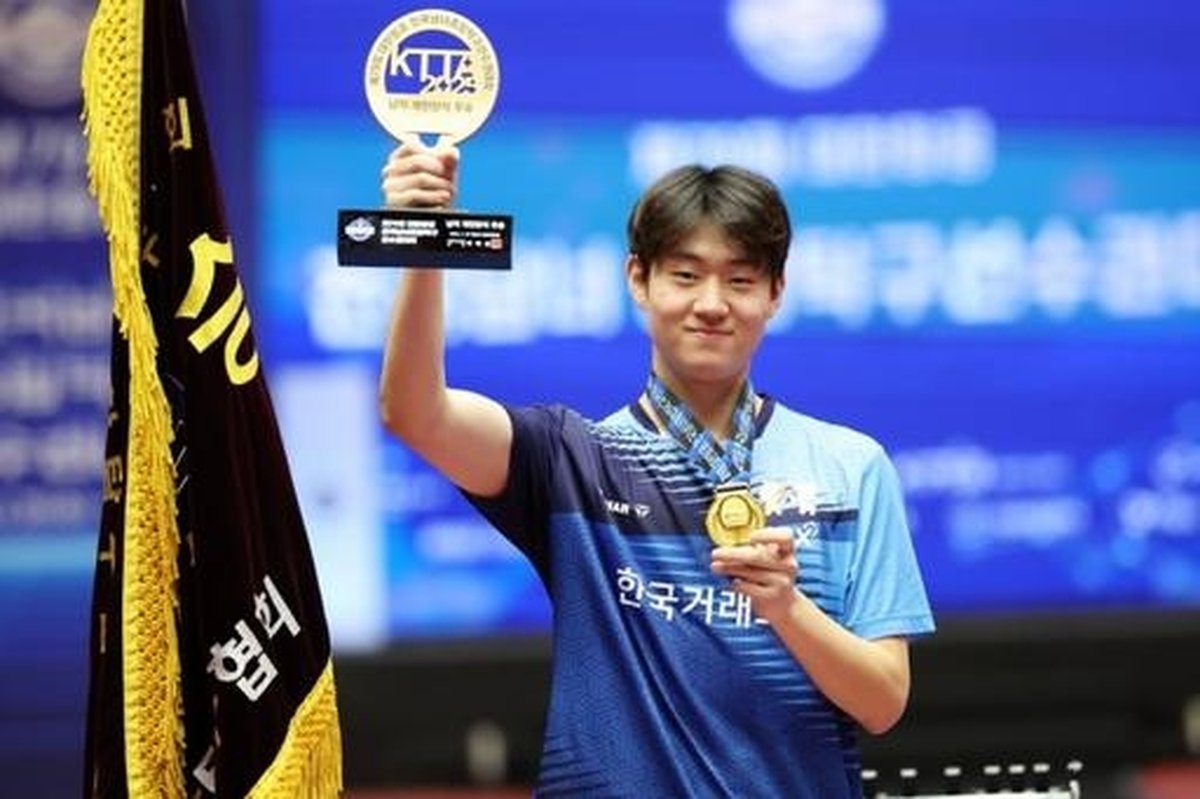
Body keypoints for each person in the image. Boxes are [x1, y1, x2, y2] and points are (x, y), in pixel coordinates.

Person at [378, 141, 935, 798]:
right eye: (686, 275)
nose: (712, 303)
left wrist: (786, 607)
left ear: (775, 293)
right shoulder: (574, 462)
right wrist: (424, 242)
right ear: (638, 280)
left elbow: (883, 701)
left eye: (740, 280)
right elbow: (415, 414)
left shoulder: (850, 467)